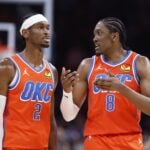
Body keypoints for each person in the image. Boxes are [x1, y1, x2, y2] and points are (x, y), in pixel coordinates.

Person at [60, 17, 150, 150]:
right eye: (94, 34)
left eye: (99, 33)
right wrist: (66, 91)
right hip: (96, 141)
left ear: (114, 36)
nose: (94, 38)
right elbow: (68, 116)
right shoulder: (87, 65)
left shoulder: (139, 63)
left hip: (129, 141)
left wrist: (121, 88)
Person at [0, 14, 57, 149]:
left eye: (48, 28)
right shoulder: (8, 67)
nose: (46, 32)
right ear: (26, 33)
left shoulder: (52, 71)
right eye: (40, 27)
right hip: (14, 146)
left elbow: (50, 119)